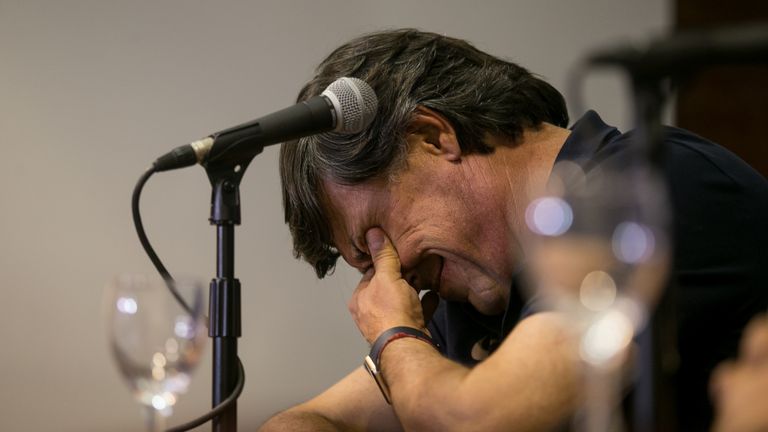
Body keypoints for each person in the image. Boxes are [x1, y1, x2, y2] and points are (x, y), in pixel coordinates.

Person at [259, 29, 768, 431]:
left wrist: (393, 335)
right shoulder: (476, 285)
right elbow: (309, 420)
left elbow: (478, 420)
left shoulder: (651, 187)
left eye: (377, 241)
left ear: (433, 138)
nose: (400, 277)